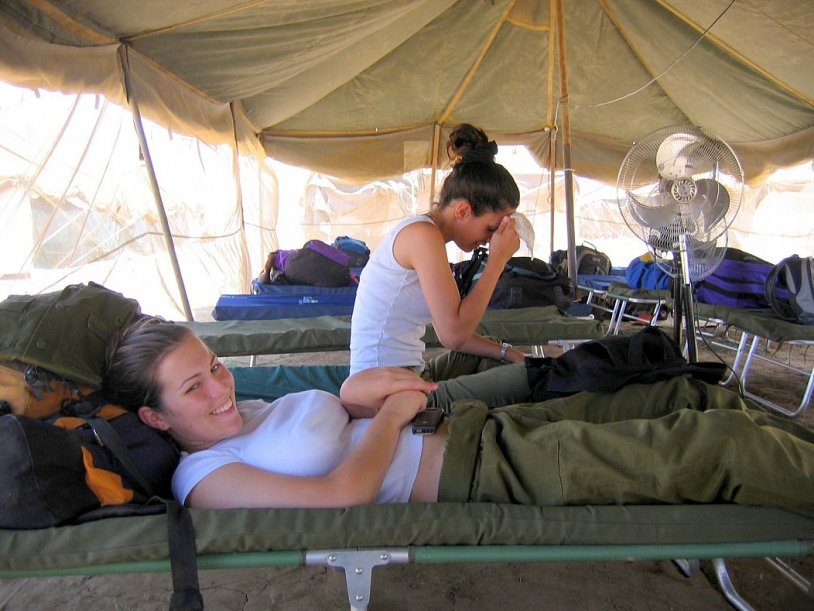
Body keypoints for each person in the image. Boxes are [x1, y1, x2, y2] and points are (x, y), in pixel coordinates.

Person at [102, 317, 814, 517]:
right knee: (720, 442)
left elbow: (330, 421)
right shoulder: (205, 474)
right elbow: (341, 494)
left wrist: (358, 397)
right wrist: (396, 414)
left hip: (474, 429)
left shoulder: (245, 410)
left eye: (216, 366)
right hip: (487, 470)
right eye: (193, 387)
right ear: (154, 416)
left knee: (680, 394)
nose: (220, 389)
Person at [348, 123, 530, 409]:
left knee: (494, 351)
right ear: (463, 211)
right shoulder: (422, 236)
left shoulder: (425, 233)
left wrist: (508, 352)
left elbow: (456, 334)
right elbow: (454, 335)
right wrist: (497, 260)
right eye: (490, 228)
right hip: (385, 393)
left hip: (410, 374)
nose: (489, 240)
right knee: (528, 379)